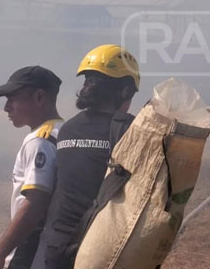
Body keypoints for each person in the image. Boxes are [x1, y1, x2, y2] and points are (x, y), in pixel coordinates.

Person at [41, 45, 139, 269]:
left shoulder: (68, 129)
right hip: (99, 249)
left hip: (58, 246)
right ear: (126, 91)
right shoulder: (130, 130)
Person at [0, 66, 63, 269]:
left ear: (39, 97)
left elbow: (35, 202)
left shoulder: (39, 141)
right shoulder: (63, 132)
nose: (6, 108)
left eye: (13, 99)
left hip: (29, 251)